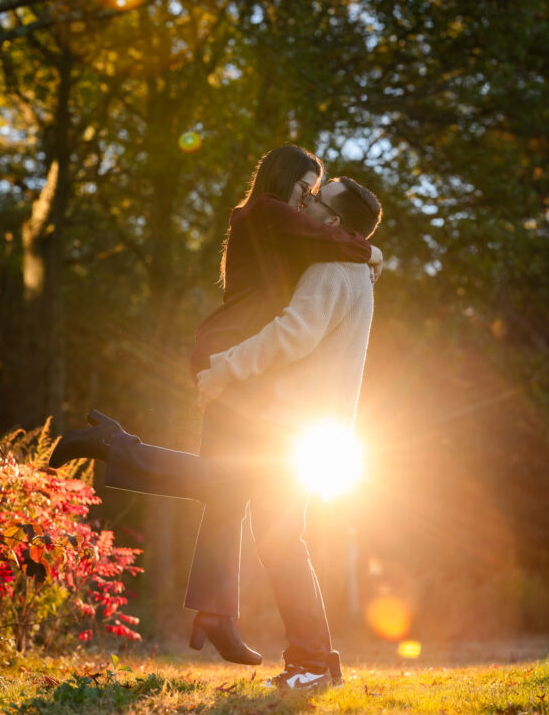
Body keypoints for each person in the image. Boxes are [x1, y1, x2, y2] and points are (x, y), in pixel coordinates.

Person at [49, 146, 382, 680]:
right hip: (259, 386)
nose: (310, 200)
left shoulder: (327, 259)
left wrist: (362, 251)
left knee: (231, 494)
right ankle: (290, 648)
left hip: (275, 402)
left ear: (336, 218)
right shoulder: (279, 219)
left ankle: (238, 619)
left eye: (319, 195)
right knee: (246, 506)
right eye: (307, 188)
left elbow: (297, 329)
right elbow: (298, 317)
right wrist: (367, 251)